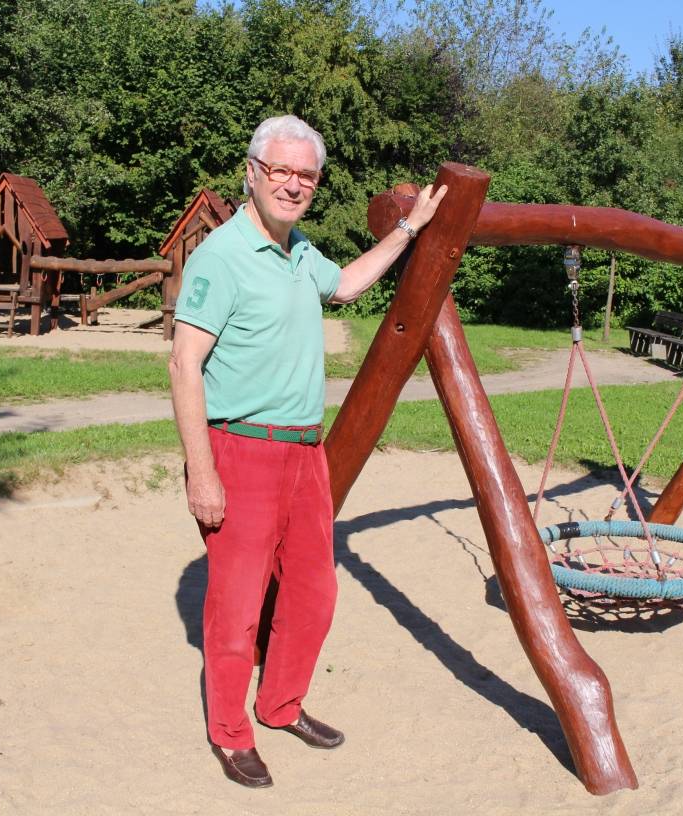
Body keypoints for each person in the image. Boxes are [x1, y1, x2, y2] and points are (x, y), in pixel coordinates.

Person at [168, 114, 446, 788]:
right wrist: (202, 472)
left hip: (303, 454)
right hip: (240, 449)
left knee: (315, 592)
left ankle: (281, 703)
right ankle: (231, 733)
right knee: (235, 605)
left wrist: (408, 230)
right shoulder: (222, 256)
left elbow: (346, 285)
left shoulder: (299, 252)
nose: (292, 185)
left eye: (306, 176)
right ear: (253, 172)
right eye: (281, 171)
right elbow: (183, 366)